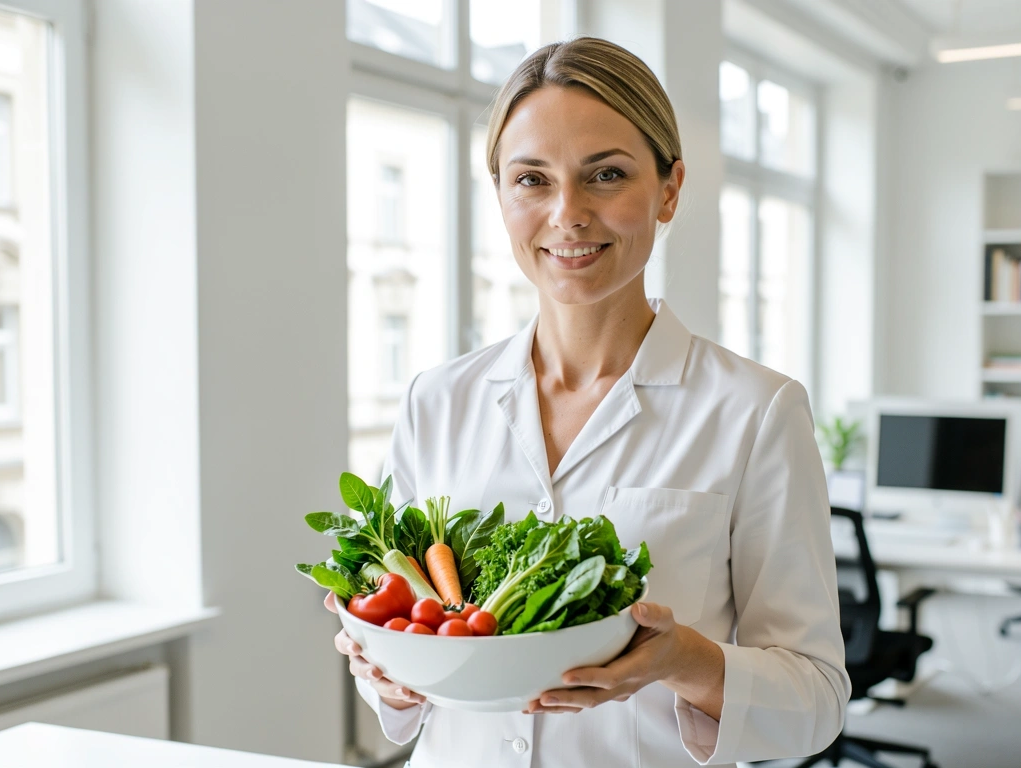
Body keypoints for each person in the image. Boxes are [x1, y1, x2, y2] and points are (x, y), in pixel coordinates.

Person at [330, 36, 849, 767]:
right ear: (501, 195)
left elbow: (816, 702)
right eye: (532, 180)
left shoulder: (756, 413)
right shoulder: (436, 401)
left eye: (606, 174)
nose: (567, 213)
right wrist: (387, 671)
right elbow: (407, 678)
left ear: (669, 190)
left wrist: (681, 658)